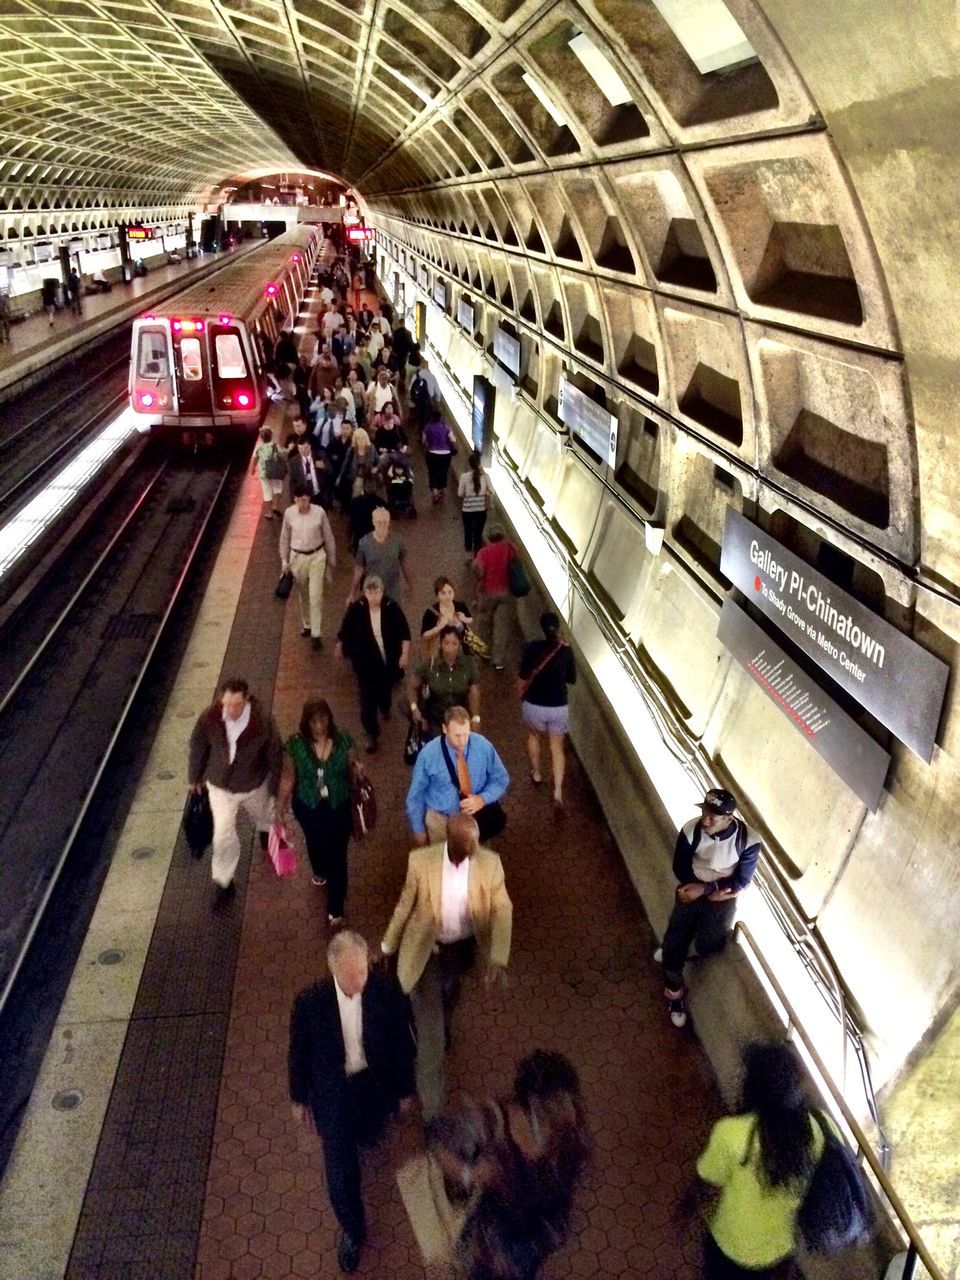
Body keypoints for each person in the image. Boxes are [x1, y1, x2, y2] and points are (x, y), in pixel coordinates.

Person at [289, 931, 416, 1274]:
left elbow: (404, 1045)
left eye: (363, 971)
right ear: (332, 971)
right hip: (334, 1092)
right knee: (341, 1170)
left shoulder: (386, 991)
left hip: (374, 1084)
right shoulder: (310, 1003)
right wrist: (299, 1097)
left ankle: (369, 1132)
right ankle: (352, 1229)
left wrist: (405, 1091)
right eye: (350, 976)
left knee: (372, 1128)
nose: (359, 981)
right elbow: (299, 1054)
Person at [380, 812, 511, 1121]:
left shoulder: (490, 864)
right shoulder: (421, 862)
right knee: (432, 1041)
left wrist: (497, 957)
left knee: (451, 994)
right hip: (429, 951)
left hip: (463, 949)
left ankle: (442, 1020)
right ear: (452, 842)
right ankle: (433, 1117)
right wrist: (388, 945)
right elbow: (405, 904)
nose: (476, 850)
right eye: (470, 844)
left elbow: (502, 908)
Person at [432, 1050, 589, 1280]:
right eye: (560, 1101)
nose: (571, 1109)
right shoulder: (494, 1119)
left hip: (538, 1234)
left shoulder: (569, 1127)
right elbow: (439, 1143)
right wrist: (470, 1174)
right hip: (498, 1241)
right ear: (535, 1102)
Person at [690, 1042, 829, 1279]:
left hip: (730, 1242)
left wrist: (689, 1209)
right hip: (779, 1247)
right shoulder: (819, 1127)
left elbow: (709, 1179)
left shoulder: (732, 1134)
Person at [659, 789, 762, 1028]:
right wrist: (695, 889)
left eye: (713, 817)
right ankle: (674, 990)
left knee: (711, 942)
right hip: (691, 890)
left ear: (729, 819)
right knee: (674, 942)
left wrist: (708, 890)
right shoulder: (691, 830)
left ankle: (691, 951)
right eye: (705, 812)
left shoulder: (749, 841)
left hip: (721, 900)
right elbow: (680, 866)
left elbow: (742, 881)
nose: (706, 819)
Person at [187, 678, 282, 894]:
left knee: (266, 815)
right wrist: (194, 777)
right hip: (220, 786)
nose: (229, 710)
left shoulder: (262, 721)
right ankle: (224, 879)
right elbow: (198, 745)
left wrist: (275, 789)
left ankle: (265, 832)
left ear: (246, 700)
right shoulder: (209, 717)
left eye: (235, 705)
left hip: (253, 784)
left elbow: (275, 754)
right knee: (222, 834)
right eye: (226, 703)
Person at [278, 698, 359, 923]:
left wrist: (357, 770)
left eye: (323, 719)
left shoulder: (343, 740)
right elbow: (288, 777)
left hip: (338, 805)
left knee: (338, 856)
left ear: (329, 718)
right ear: (307, 722)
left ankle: (336, 906)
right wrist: (280, 807)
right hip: (308, 805)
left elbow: (353, 766)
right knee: (314, 841)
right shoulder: (295, 744)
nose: (319, 726)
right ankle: (319, 869)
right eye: (314, 721)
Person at [406, 705, 509, 846]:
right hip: (440, 821)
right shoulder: (428, 755)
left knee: (478, 864)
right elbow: (416, 794)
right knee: (442, 863)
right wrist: (418, 829)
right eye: (457, 735)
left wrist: (482, 799)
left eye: (466, 734)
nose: (462, 741)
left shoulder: (483, 746)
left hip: (475, 820)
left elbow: (501, 779)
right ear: (444, 729)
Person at [336, 575, 411, 752]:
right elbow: (345, 629)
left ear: (382, 591)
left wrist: (404, 655)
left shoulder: (392, 608)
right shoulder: (358, 608)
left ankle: (385, 705)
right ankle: (371, 733)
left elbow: (404, 633)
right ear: (365, 592)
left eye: (376, 591)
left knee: (384, 690)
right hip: (366, 664)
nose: (373, 595)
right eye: (369, 591)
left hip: (388, 662)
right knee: (367, 700)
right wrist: (340, 645)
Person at [519, 613, 576, 813]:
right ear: (558, 628)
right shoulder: (565, 650)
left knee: (533, 736)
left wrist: (520, 695)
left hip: (534, 704)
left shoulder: (532, 648)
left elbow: (523, 675)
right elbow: (571, 678)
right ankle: (558, 792)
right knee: (557, 747)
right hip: (558, 705)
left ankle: (536, 773)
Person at [279, 486, 337, 649]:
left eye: (306, 499)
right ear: (295, 500)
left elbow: (328, 536)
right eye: (300, 500)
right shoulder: (289, 514)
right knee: (304, 594)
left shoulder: (319, 513)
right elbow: (284, 538)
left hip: (317, 556)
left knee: (315, 595)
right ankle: (308, 623)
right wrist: (284, 560)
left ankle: (316, 634)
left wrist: (331, 559)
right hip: (297, 558)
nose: (304, 503)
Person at [410, 626, 481, 740]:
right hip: (436, 719)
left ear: (459, 645)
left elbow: (474, 691)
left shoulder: (468, 665)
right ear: (440, 644)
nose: (450, 648)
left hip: (460, 719)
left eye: (454, 644)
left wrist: (475, 717)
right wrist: (414, 708)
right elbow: (412, 686)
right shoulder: (430, 665)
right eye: (446, 643)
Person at [473, 525, 518, 672]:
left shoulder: (484, 552)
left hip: (488, 593)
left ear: (489, 537)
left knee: (485, 622)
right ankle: (498, 660)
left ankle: (484, 651)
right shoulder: (509, 548)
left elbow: (477, 568)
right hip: (506, 592)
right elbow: (517, 557)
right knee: (502, 625)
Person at [351, 505, 412, 601]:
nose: (382, 525)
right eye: (379, 522)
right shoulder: (364, 543)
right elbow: (359, 569)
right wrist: (352, 593)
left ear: (389, 522)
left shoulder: (397, 541)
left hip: (393, 592)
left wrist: (410, 583)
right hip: (373, 592)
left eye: (385, 522)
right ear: (373, 522)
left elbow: (404, 563)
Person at [420, 575, 473, 659]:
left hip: (461, 650)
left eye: (450, 592)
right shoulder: (431, 612)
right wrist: (438, 627)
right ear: (437, 596)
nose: (447, 596)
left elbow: (470, 619)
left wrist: (464, 619)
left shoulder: (460, 606)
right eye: (443, 593)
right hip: (440, 653)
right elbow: (424, 635)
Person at [458, 450, 490, 562]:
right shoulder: (485, 477)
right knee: (478, 533)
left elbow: (460, 494)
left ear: (469, 464)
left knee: (468, 531)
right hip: (481, 511)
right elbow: (491, 492)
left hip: (467, 510)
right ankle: (477, 556)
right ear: (479, 464)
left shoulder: (464, 477)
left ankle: (468, 555)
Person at [250, 425, 285, 519]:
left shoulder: (258, 447)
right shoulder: (275, 446)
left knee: (267, 492)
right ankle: (275, 506)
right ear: (271, 436)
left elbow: (255, 459)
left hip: (264, 473)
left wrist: (252, 469)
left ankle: (269, 512)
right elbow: (281, 456)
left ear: (261, 438)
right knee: (278, 489)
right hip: (276, 472)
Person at [422, 412, 458, 504]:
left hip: (432, 454)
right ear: (441, 418)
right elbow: (453, 439)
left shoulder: (428, 427)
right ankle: (441, 489)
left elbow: (423, 440)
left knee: (432, 472)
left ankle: (435, 492)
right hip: (445, 454)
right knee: (443, 472)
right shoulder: (446, 427)